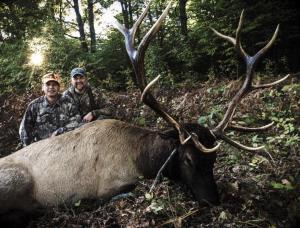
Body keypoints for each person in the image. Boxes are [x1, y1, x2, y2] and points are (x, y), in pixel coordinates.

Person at [19, 72, 82, 147]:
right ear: (42, 87)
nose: (51, 87)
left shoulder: (68, 102)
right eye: (48, 84)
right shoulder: (34, 106)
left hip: (65, 145)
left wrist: (62, 130)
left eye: (54, 85)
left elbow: (77, 120)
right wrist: (29, 148)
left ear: (59, 87)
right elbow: (24, 130)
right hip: (42, 148)